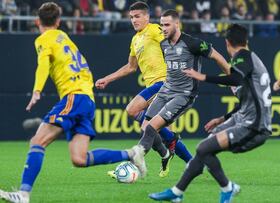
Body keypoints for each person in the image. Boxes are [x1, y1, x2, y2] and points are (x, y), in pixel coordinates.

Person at [0, 2, 136, 203]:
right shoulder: (64, 36)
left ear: (38, 21)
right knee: (79, 159)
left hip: (74, 96)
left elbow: (43, 64)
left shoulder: (43, 39)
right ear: (58, 21)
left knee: (37, 141)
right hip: (87, 99)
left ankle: (23, 194)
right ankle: (131, 154)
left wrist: (37, 91)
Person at [148, 24, 272, 203]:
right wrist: (222, 118)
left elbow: (234, 79)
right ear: (246, 40)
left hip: (254, 126)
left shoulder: (242, 58)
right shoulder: (250, 59)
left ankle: (225, 188)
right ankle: (178, 192)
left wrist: (203, 77)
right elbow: (249, 102)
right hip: (245, 118)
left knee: (204, 149)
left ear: (227, 43)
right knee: (205, 147)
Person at [95, 1, 192, 178]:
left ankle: (135, 163)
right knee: (150, 126)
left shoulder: (155, 30)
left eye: (137, 16)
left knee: (134, 112)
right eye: (131, 17)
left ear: (147, 16)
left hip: (165, 83)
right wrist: (107, 79)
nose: (134, 20)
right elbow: (131, 67)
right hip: (154, 86)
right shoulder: (135, 39)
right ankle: (189, 160)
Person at [130, 9, 231, 178]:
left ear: (177, 24)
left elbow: (217, 56)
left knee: (153, 126)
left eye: (167, 25)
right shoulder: (163, 44)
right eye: (162, 25)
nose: (163, 28)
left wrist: (231, 77)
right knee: (145, 127)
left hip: (183, 95)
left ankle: (134, 163)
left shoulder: (192, 43)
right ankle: (192, 162)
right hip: (166, 90)